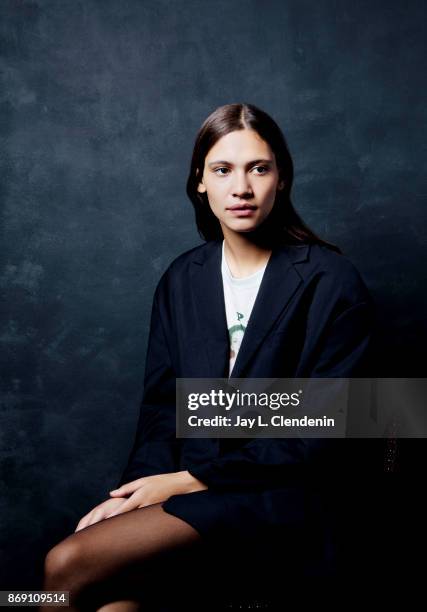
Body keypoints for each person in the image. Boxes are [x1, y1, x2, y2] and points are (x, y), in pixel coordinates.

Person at [40, 103, 376, 611]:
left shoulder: (331, 280)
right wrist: (129, 498)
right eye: (222, 170)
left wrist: (187, 480)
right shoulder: (182, 279)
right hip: (193, 496)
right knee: (111, 602)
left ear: (281, 178)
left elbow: (329, 425)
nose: (240, 187)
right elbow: (161, 412)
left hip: (281, 496)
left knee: (64, 568)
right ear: (200, 182)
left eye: (258, 168)